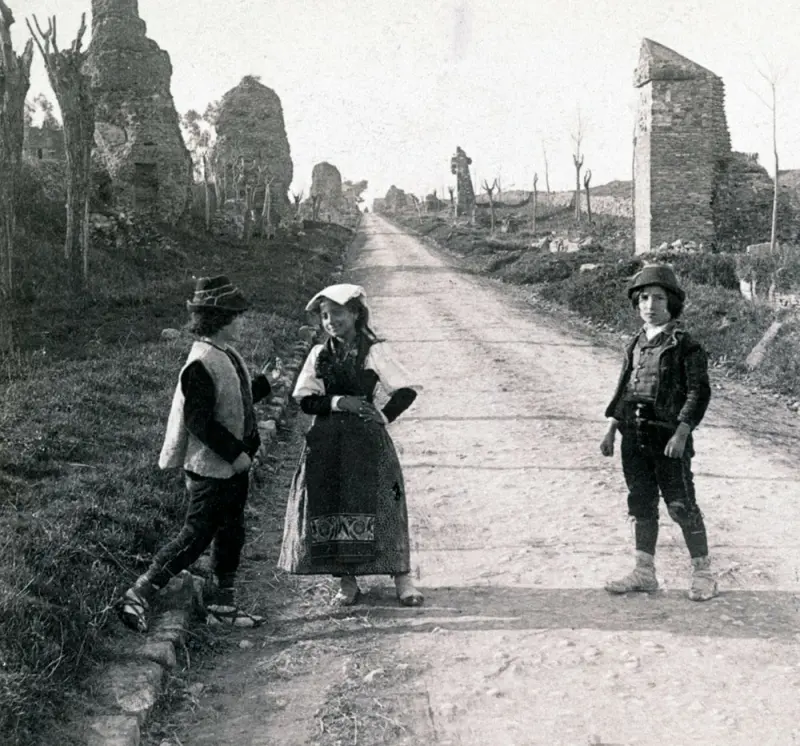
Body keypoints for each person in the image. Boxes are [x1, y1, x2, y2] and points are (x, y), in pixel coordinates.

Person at [120, 275, 278, 632]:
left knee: (230, 533)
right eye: (238, 316)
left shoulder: (225, 354)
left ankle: (223, 603)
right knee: (195, 536)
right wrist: (235, 453)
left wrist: (264, 386)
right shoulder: (200, 363)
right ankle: (138, 592)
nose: (242, 322)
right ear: (219, 319)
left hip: (231, 469)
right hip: (210, 470)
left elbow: (233, 399)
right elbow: (199, 423)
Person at [278, 283, 423, 606]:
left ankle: (402, 580)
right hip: (328, 442)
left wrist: (383, 416)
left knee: (384, 504)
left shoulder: (374, 351)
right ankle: (347, 582)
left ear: (356, 313)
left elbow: (406, 390)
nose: (331, 322)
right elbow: (305, 400)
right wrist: (339, 402)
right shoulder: (320, 354)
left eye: (338, 314)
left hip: (367, 442)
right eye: (325, 316)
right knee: (332, 505)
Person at [600, 264, 717, 602]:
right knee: (641, 502)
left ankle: (704, 573)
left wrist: (682, 432)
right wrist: (611, 428)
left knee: (680, 504)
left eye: (659, 298)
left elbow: (699, 392)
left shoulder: (686, 345)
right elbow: (625, 388)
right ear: (637, 304)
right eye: (644, 298)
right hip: (633, 436)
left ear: (673, 303)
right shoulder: (634, 342)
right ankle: (644, 572)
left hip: (668, 437)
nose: (650, 305)